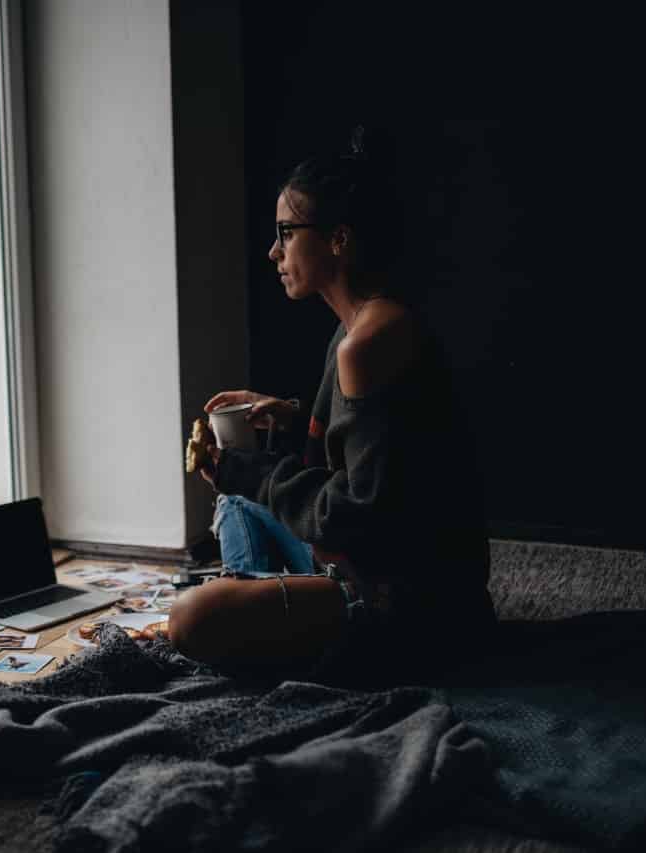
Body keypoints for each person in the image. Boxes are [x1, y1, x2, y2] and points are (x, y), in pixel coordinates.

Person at [168, 127, 496, 682]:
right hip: (353, 564)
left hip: (405, 604)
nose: (274, 251)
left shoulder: (370, 342)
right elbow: (383, 446)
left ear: (338, 239)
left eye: (286, 234)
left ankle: (272, 621)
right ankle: (274, 613)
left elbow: (357, 515)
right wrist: (291, 416)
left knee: (191, 618)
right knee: (236, 509)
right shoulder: (358, 323)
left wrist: (253, 471)